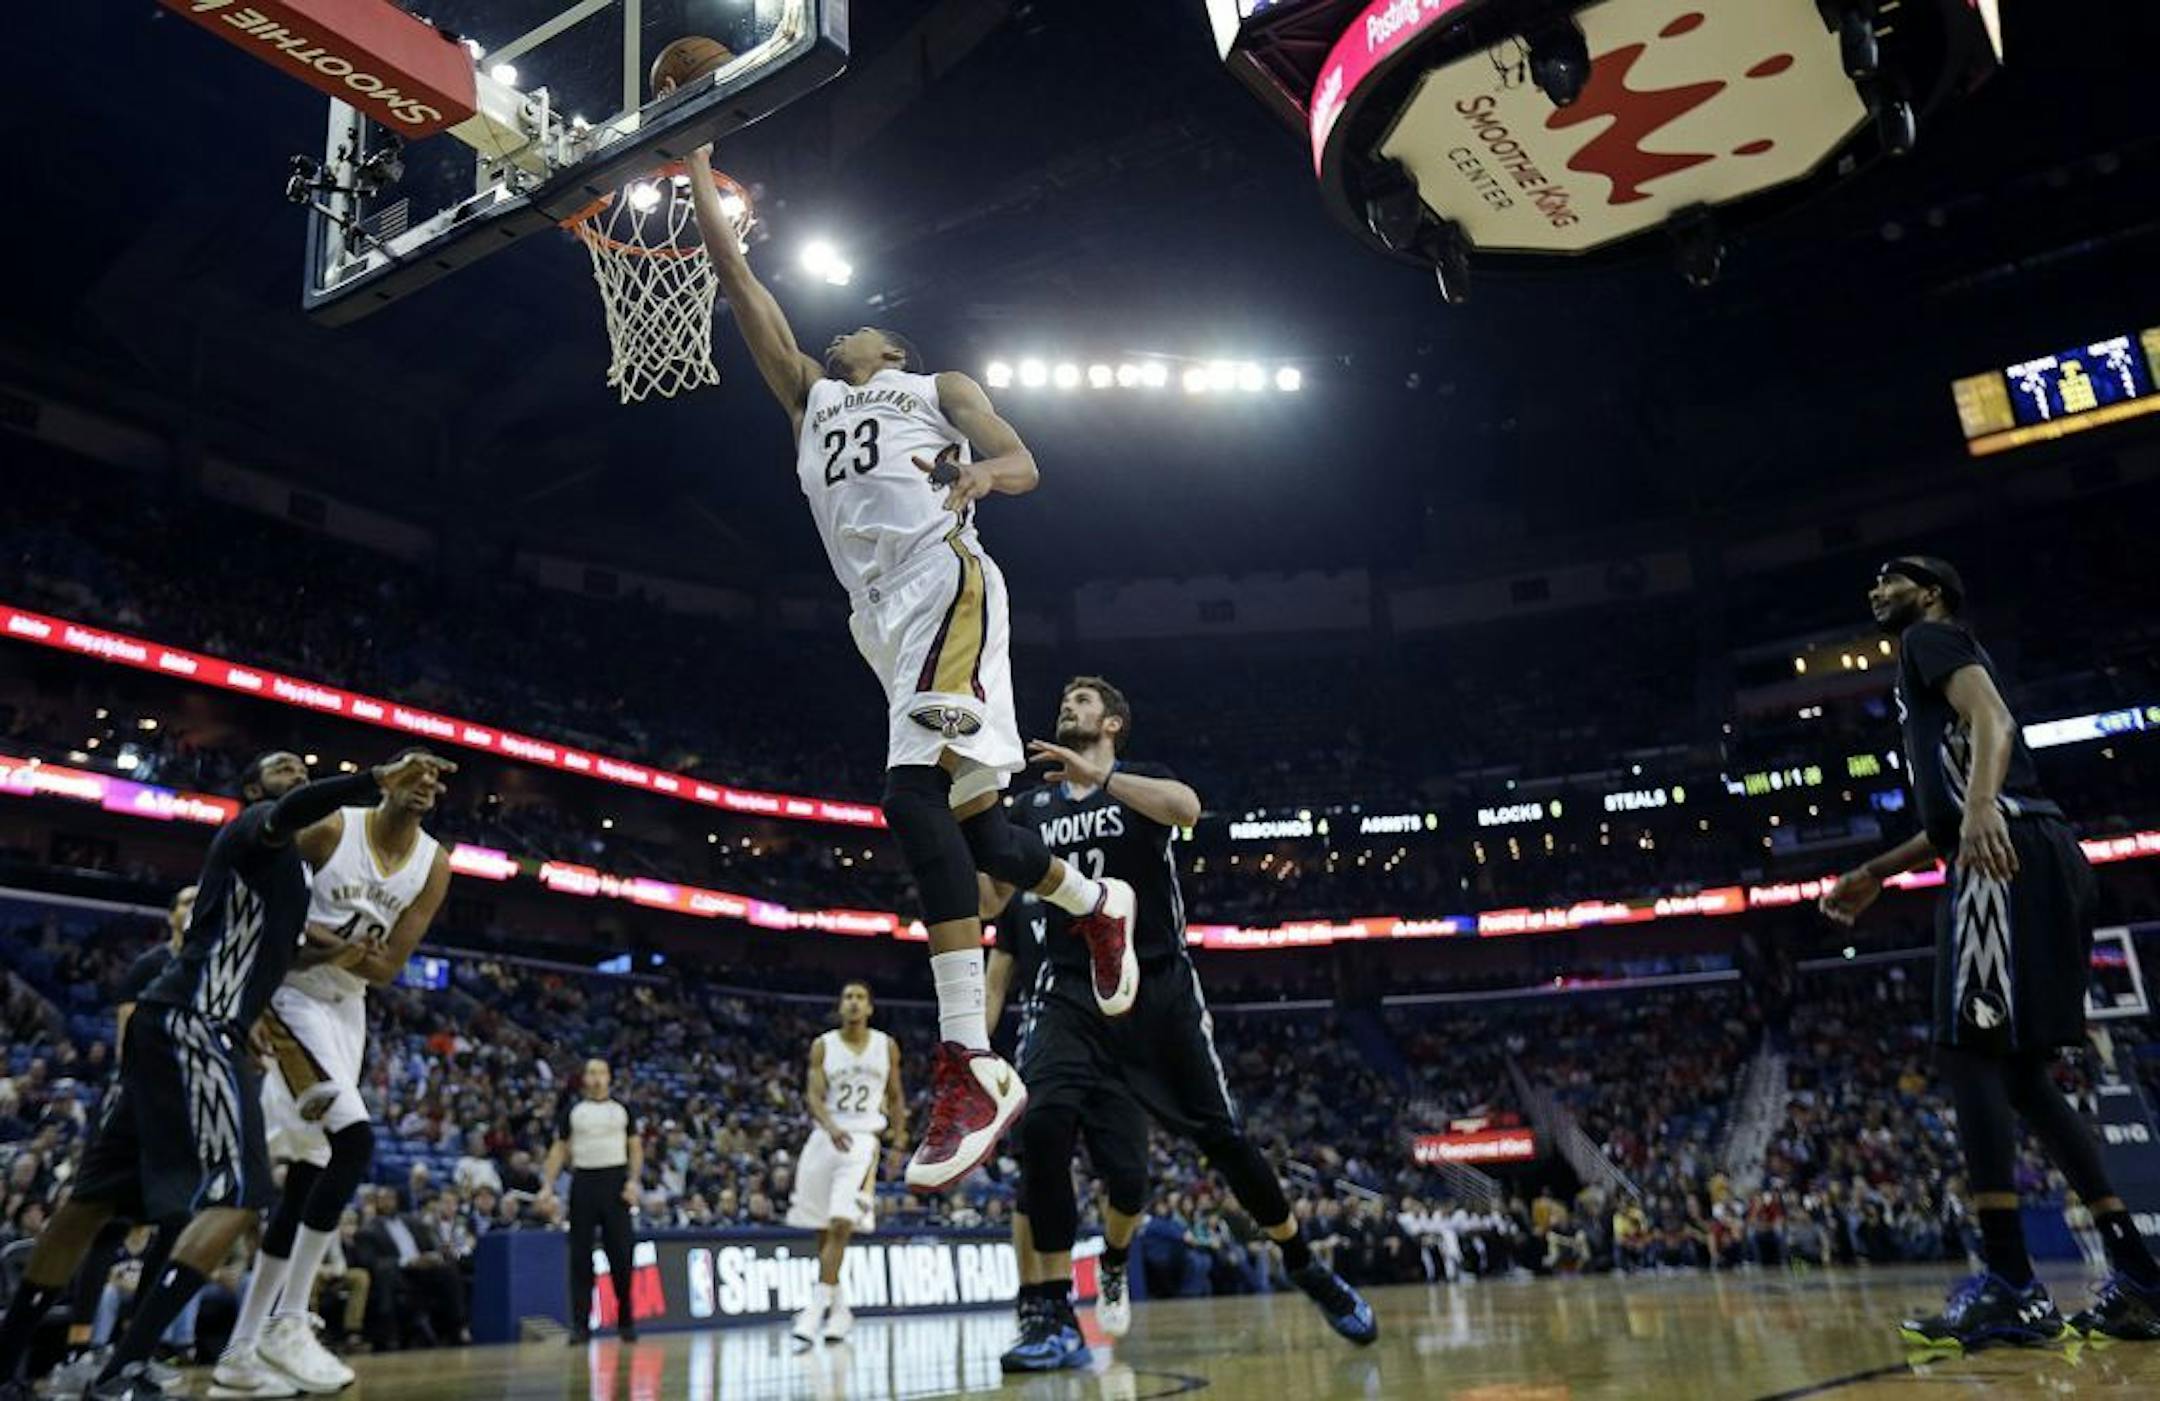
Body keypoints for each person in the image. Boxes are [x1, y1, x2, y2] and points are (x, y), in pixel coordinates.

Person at [678, 141, 1139, 1194]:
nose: (844, 331)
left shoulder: (938, 383)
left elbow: (1026, 463)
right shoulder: (807, 397)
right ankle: (1090, 902)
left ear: (895, 346)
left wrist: (981, 469)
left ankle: (970, 1056)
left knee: (907, 796)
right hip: (876, 618)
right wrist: (695, 161)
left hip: (946, 581)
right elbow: (737, 275)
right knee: (978, 828)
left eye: (863, 326)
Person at [0, 749, 452, 1400]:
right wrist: (372, 781)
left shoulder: (289, 873)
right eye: (282, 768)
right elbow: (297, 809)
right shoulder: (258, 826)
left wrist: (346, 950)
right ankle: (124, 1369)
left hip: (180, 1023)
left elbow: (294, 949)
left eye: (303, 769)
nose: (296, 774)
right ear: (252, 786)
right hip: (199, 1023)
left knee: (92, 1201)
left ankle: (10, 1356)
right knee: (241, 1197)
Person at [987, 677, 1376, 1373]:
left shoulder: (1140, 780)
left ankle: (1303, 1263)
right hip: (1068, 993)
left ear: (1113, 721)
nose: (1067, 705)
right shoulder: (1031, 805)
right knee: (1042, 1123)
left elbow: (1189, 810)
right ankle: (1047, 1313)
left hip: (1156, 986)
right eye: (1066, 698)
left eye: (1082, 700)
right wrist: (969, 814)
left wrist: (1102, 775)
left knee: (1220, 1138)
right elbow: (992, 900)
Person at [1822, 556, 2160, 1346]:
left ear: (1931, 592)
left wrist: (1979, 810)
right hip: (2041, 849)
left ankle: (2011, 1284)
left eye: (1891, 578)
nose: (1876, 591)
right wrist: (1875, 871)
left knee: (1969, 1054)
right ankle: (2141, 1275)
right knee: (2025, 1078)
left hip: (2004, 852)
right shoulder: (1929, 678)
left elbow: (1995, 725)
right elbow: (1947, 823)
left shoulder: (1928, 642)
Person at [218, 754, 452, 1395]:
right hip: (293, 997)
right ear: (392, 779)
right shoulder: (332, 828)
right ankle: (290, 1319)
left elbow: (386, 968)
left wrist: (344, 952)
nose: (425, 785)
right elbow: (260, 894)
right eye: (415, 774)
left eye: (435, 780)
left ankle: (241, 1350)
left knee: (308, 1179)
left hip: (348, 1011)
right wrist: (284, 971)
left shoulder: (433, 865)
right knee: (356, 1143)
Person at [40, 888, 196, 1400]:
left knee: (171, 1229)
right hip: (136, 1105)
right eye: (184, 901)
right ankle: (78, 1351)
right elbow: (132, 1044)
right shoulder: (150, 965)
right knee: (108, 1229)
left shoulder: (214, 970)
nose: (193, 908)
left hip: (185, 1113)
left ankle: (136, 1352)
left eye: (201, 900)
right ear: (170, 914)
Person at [984, 879, 1150, 1356]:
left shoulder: (1119, 882)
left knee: (1130, 1179)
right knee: (1036, 1166)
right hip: (1046, 1042)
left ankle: (1112, 1263)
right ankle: (1040, 1302)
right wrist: (972, 1048)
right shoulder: (1022, 899)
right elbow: (996, 980)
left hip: (1117, 1043)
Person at [785, 982, 906, 1346]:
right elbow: (813, 1095)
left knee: (841, 1224)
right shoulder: (823, 1045)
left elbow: (897, 1096)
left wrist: (899, 1141)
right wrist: (830, 1125)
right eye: (847, 998)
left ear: (870, 1007)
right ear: (841, 1006)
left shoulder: (886, 1046)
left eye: (860, 998)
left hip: (863, 1140)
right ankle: (841, 1312)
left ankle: (814, 1310)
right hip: (825, 1139)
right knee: (822, 1229)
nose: (853, 1003)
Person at [538, 1061, 643, 1344]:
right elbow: (559, 1149)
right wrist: (547, 1185)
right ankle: (581, 1325)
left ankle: (626, 1319)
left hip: (615, 1183)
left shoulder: (623, 1110)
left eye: (602, 1073)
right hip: (584, 1182)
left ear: (609, 1077)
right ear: (584, 1078)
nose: (597, 1078)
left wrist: (633, 1181)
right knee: (580, 1257)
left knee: (621, 1256)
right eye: (592, 1073)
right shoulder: (574, 1112)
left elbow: (635, 1147)